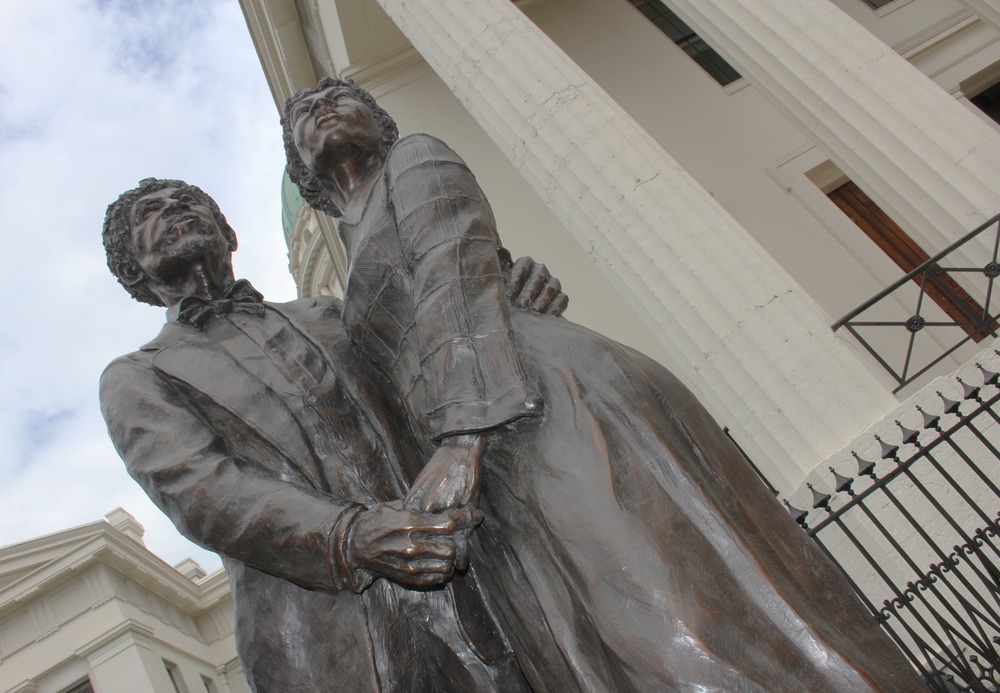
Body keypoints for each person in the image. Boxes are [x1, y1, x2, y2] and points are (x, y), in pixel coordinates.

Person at [282, 77, 927, 692]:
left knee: (666, 607)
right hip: (487, 449)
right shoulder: (350, 266)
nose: (327, 109)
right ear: (303, 174)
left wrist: (461, 438)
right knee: (602, 628)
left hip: (539, 401)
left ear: (381, 122)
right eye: (307, 115)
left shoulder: (414, 157)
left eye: (341, 98)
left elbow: (454, 265)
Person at [99, 177, 566, 692]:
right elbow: (202, 491)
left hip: (465, 576)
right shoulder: (137, 376)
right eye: (150, 212)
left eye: (187, 202)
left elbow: (438, 348)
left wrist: (501, 295)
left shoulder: (329, 313)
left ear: (228, 234)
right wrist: (350, 537)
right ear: (130, 269)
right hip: (322, 624)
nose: (174, 210)